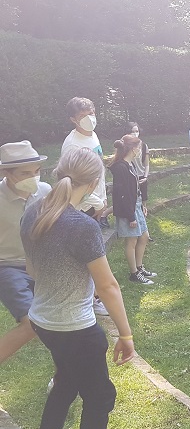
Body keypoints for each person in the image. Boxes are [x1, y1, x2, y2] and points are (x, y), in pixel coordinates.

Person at [20, 148, 140, 429]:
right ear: (93, 182)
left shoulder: (33, 212)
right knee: (100, 395)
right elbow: (108, 286)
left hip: (43, 320)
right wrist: (126, 335)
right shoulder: (82, 226)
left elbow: (32, 270)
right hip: (74, 328)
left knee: (67, 380)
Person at [0, 141, 51, 363]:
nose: (33, 177)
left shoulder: (45, 191)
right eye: (25, 173)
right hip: (8, 267)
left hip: (42, 265)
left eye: (36, 171)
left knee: (61, 323)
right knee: (32, 324)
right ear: (7, 173)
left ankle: (64, 377)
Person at [61, 97, 109, 317]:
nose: (89, 119)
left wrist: (102, 198)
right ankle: (92, 299)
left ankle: (92, 296)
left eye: (92, 113)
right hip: (82, 207)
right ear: (73, 119)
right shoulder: (73, 144)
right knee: (88, 255)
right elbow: (72, 182)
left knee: (94, 251)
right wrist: (96, 202)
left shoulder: (93, 136)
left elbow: (98, 172)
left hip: (96, 202)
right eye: (83, 116)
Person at [108, 135, 155, 285]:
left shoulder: (130, 165)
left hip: (136, 205)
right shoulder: (121, 168)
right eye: (139, 147)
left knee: (144, 236)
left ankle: (139, 268)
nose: (140, 150)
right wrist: (131, 217)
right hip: (128, 210)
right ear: (133, 149)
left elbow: (134, 190)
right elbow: (123, 195)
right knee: (132, 241)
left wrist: (141, 206)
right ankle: (134, 273)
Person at [126, 122, 153, 242]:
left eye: (136, 131)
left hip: (141, 177)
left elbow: (146, 164)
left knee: (143, 204)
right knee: (132, 203)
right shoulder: (125, 146)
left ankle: (144, 231)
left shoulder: (143, 146)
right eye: (132, 131)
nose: (135, 133)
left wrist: (145, 176)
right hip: (130, 177)